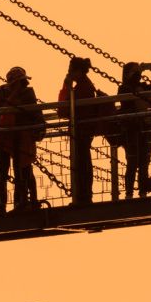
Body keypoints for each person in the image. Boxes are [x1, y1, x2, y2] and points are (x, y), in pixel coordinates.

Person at [0, 66, 44, 213]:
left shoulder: (28, 94)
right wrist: (11, 100)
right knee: (1, 174)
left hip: (21, 139)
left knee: (24, 172)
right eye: (21, 82)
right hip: (2, 139)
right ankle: (1, 207)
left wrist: (37, 131)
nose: (24, 85)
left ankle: (26, 202)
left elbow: (36, 115)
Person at [117, 62, 151, 198]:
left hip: (147, 127)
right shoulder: (123, 88)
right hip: (132, 129)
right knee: (132, 162)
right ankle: (129, 193)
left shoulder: (144, 86)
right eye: (134, 72)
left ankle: (143, 191)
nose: (138, 74)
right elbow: (128, 92)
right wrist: (139, 71)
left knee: (145, 162)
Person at [58, 56, 101, 205]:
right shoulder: (85, 85)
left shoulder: (82, 88)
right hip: (84, 129)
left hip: (82, 130)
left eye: (70, 70)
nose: (68, 73)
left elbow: (64, 109)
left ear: (77, 71)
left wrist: (66, 86)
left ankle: (83, 196)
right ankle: (83, 195)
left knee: (82, 163)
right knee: (83, 162)